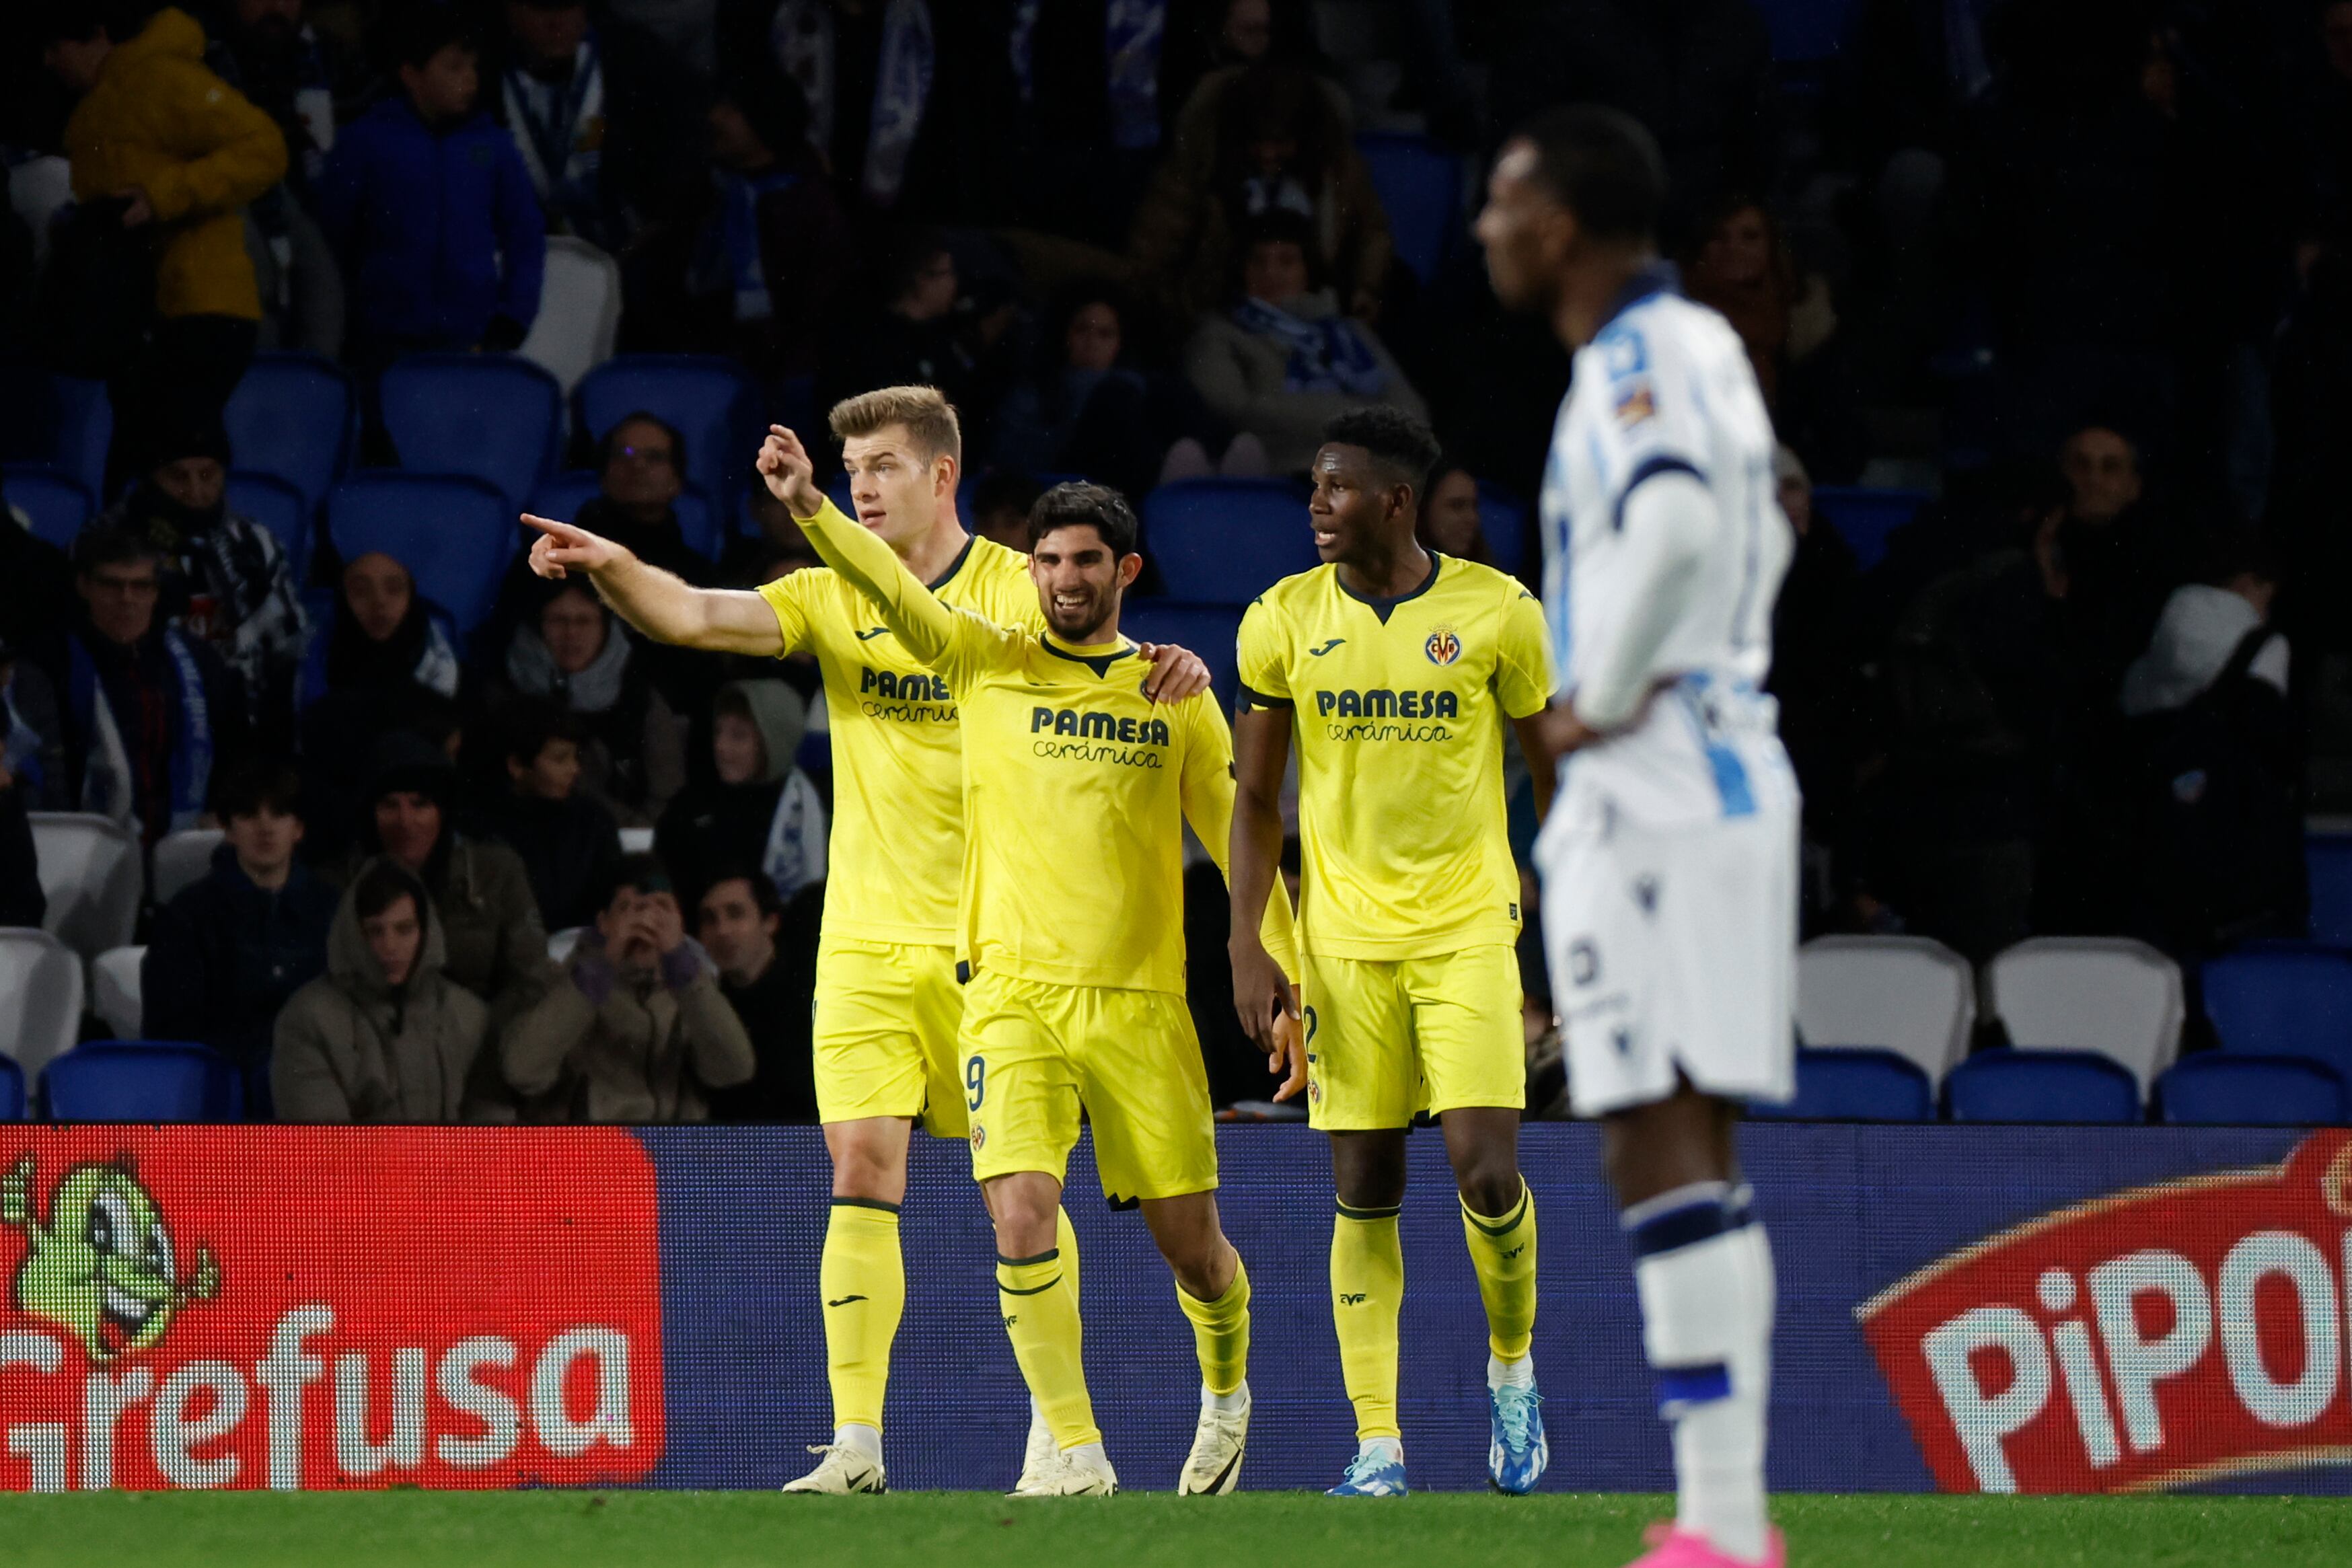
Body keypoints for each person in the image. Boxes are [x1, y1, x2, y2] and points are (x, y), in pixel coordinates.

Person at [517, 383, 1212, 1494]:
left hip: (1001, 946)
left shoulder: (1018, 589)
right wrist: (611, 563)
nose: (863, 488)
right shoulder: (836, 592)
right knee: (859, 1164)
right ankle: (856, 1446)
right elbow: (697, 615)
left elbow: (1112, 656)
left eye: (883, 467)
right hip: (866, 941)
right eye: (853, 473)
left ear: (944, 474)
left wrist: (1179, 667)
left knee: (1015, 1202)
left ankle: (1060, 1429)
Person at [735, 450, 1297, 1499]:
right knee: (1021, 1211)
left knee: (1195, 1250)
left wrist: (1285, 973)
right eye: (1046, 560)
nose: (1063, 578)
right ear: (1028, 569)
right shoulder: (984, 662)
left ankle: (1225, 1389)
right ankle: (1077, 1452)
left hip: (1139, 1005)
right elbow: (894, 589)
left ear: (1125, 569)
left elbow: (1241, 846)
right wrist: (813, 507)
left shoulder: (1173, 692)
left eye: (1085, 560)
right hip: (1008, 996)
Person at [1478, 106, 1796, 1568]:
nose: (1482, 228)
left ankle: (1720, 1523)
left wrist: (1591, 702)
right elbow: (1770, 517)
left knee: (1649, 1133)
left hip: (1657, 786)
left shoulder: (1630, 361)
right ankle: (1723, 1512)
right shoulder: (1709, 351)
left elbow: (1673, 528)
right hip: (1727, 763)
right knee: (1695, 1140)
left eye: (1501, 203)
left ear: (1558, 225)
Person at [1226, 404, 1557, 1497]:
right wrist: (1249, 942)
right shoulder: (1282, 619)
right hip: (1343, 949)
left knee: (1485, 1168)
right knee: (1364, 1183)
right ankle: (1379, 1445)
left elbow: (1549, 780)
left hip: (1466, 930)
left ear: (1398, 500)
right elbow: (1255, 803)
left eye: (1337, 487)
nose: (1316, 505)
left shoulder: (1498, 612)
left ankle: (1511, 1371)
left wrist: (1562, 941)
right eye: (1314, 487)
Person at [42, 3, 288, 490]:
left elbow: (263, 146)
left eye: (56, 47)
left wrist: (164, 196)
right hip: (145, 316)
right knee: (141, 468)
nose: (50, 62)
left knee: (173, 466)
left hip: (200, 304)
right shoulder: (99, 105)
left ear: (96, 35)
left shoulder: (160, 78)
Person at [312, 5, 545, 366]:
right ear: (411, 74)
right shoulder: (365, 142)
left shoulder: (493, 145)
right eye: (454, 67)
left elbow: (525, 236)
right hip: (381, 341)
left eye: (473, 66)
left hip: (470, 338)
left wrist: (513, 316)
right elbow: (333, 238)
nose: (470, 79)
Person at [501, 852, 756, 1121]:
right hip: (590, 1150)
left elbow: (734, 1070)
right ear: (603, 922)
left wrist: (680, 966)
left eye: (661, 909)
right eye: (628, 909)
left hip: (673, 1149)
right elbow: (522, 1072)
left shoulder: (694, 987)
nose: (645, 923)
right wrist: (603, 966)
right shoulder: (557, 978)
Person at [1132, 61, 1392, 325]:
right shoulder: (1195, 169)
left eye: (1280, 143)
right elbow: (1151, 259)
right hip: (1221, 316)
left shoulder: (1339, 171)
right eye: (1257, 141)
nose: (1267, 154)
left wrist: (1366, 288)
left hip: (1317, 315)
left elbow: (1372, 235)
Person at [143, 761, 338, 1105]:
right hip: (220, 1093)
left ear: (299, 828)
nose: (265, 827)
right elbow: (173, 1028)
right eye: (249, 814)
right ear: (228, 828)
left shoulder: (332, 910)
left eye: (279, 813)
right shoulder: (187, 915)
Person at [106, 418, 308, 739]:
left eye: (207, 475)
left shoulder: (255, 542)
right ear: (151, 479)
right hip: (151, 728)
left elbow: (287, 648)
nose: (196, 492)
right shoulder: (111, 544)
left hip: (246, 732)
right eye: (178, 477)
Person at [1185, 211, 1426, 474]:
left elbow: (1413, 412)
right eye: (1258, 262)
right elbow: (1235, 411)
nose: (1271, 274)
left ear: (1308, 271)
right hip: (1285, 471)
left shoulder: (1350, 332)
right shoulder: (1221, 333)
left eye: (1286, 262)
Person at [56, 525, 248, 849]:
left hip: (182, 843)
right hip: (83, 846)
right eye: (111, 585)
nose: (126, 599)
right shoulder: (53, 663)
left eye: (141, 586)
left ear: (157, 591)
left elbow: (237, 750)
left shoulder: (198, 661)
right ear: (84, 586)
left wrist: (221, 809)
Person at [350, 732, 552, 1035]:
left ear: (442, 813)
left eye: (420, 804)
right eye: (390, 805)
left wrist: (475, 1031)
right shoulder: (345, 881)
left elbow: (530, 976)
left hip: (481, 1040)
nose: (405, 821)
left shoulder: (496, 870)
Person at [272, 858, 499, 1123]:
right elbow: (319, 1145)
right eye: (375, 931)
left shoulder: (468, 1015)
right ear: (354, 935)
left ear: (425, 933)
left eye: (404, 930)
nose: (390, 946)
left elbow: (493, 1130)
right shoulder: (309, 1019)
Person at [497, 576, 687, 827]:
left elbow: (667, 790)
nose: (571, 633)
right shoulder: (505, 690)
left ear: (606, 627)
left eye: (584, 621)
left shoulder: (640, 699)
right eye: (558, 620)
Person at [654, 679, 822, 910]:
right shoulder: (689, 808)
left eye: (738, 736)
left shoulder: (805, 810)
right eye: (719, 732)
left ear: (773, 742)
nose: (721, 746)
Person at [479, 696, 621, 932]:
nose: (574, 769)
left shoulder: (593, 822)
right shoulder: (480, 826)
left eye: (575, 757)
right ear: (517, 766)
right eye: (560, 759)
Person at [697, 868, 821, 1123]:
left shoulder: (814, 992)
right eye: (710, 919)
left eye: (735, 914)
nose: (722, 930)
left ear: (770, 922)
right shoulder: (703, 1003)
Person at [1416, 461, 1496, 566]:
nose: (1472, 518)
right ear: (1423, 509)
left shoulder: (1491, 579)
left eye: (1475, 506)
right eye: (1457, 506)